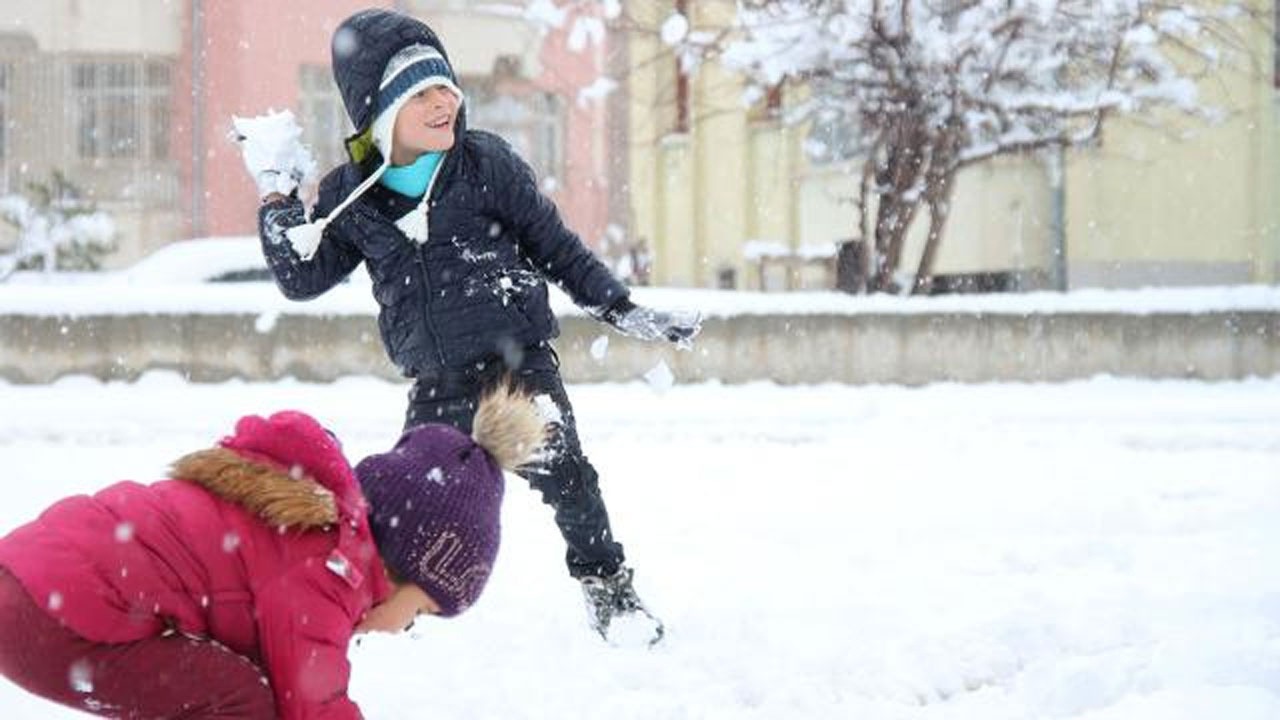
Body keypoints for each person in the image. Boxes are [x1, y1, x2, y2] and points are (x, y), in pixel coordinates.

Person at [237, 8, 699, 643]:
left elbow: (556, 247)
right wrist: (277, 197)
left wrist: (619, 307)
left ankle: (608, 589)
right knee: (400, 509)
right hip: (437, 381)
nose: (443, 103)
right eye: (421, 93)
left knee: (570, 480)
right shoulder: (352, 194)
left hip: (518, 369)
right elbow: (301, 277)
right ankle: (377, 606)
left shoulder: (485, 165)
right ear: (380, 112)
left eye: (446, 87)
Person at [0, 385, 545, 719]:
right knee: (238, 700)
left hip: (31, 587)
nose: (405, 628)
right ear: (399, 563)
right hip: (48, 618)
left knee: (232, 690)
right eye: (423, 610)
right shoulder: (329, 568)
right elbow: (315, 704)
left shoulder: (313, 535)